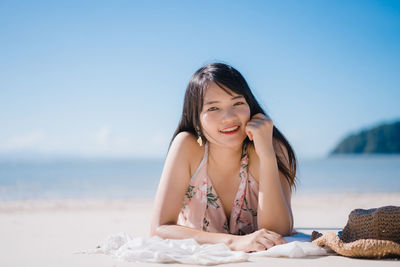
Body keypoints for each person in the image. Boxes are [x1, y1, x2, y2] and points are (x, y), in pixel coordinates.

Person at [150, 62, 297, 252]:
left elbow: (278, 232)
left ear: (250, 106)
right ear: (196, 118)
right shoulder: (187, 146)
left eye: (237, 103)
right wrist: (232, 242)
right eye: (213, 108)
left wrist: (267, 155)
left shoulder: (270, 145)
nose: (228, 117)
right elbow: (158, 229)